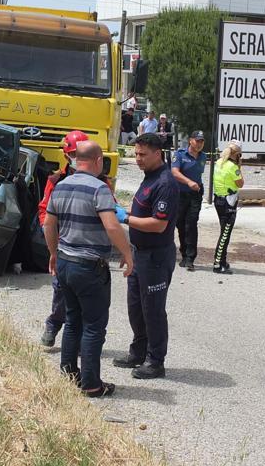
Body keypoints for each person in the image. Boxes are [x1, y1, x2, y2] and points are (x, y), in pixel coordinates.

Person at [43, 140, 134, 398]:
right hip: (90, 266)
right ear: (97, 161)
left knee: (72, 320)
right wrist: (127, 253)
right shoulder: (100, 189)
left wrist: (53, 253)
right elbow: (112, 226)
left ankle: (69, 374)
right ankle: (92, 384)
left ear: (74, 160)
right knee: (94, 326)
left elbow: (49, 225)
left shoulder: (60, 187)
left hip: (65, 261)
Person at [113, 133, 179, 379]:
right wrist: (129, 247)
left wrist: (126, 218)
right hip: (140, 254)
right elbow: (143, 211)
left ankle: (155, 360)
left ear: (157, 154)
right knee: (136, 307)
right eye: (136, 154)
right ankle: (138, 352)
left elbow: (158, 224)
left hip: (156, 257)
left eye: (142, 155)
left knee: (153, 309)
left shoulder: (165, 183)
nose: (137, 159)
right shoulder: (149, 178)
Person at [38, 130, 90, 347]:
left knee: (86, 296)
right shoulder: (55, 179)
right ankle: (53, 324)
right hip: (63, 244)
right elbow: (44, 210)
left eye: (81, 154)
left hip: (88, 245)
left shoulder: (99, 180)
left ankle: (79, 338)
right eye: (74, 154)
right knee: (61, 290)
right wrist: (49, 233)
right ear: (66, 155)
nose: (77, 159)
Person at [171, 130, 206, 271]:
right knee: (180, 223)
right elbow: (174, 172)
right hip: (180, 193)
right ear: (190, 140)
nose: (199, 144)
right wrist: (188, 182)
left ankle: (190, 258)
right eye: (197, 140)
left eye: (202, 141)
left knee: (191, 224)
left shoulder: (203, 156)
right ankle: (184, 254)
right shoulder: (180, 154)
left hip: (195, 194)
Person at [212, 141, 244, 274]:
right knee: (225, 234)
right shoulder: (233, 167)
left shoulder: (219, 162)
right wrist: (239, 166)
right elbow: (241, 183)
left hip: (219, 199)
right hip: (228, 202)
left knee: (224, 231)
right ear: (236, 154)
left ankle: (222, 260)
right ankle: (217, 264)